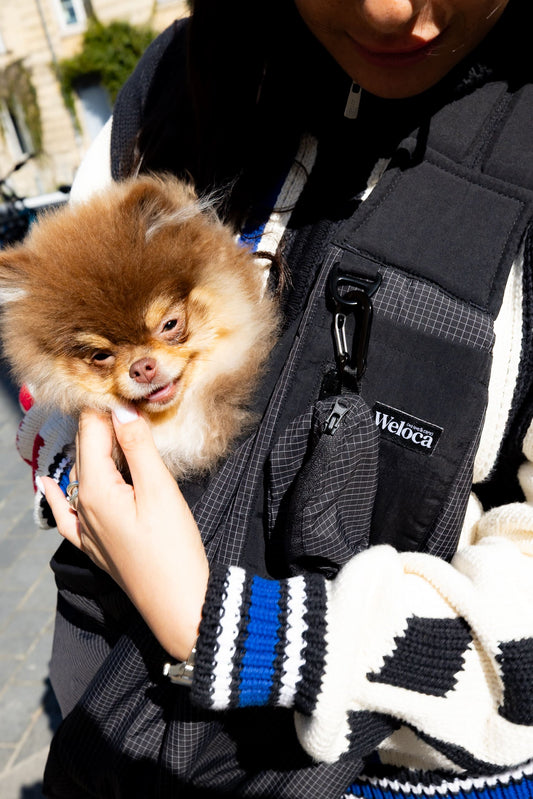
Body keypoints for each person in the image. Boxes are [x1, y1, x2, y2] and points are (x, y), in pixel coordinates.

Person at [16, 0, 533, 795]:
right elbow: (49, 358)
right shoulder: (171, 85)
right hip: (106, 727)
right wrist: (66, 452)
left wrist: (228, 625)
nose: (390, 11)